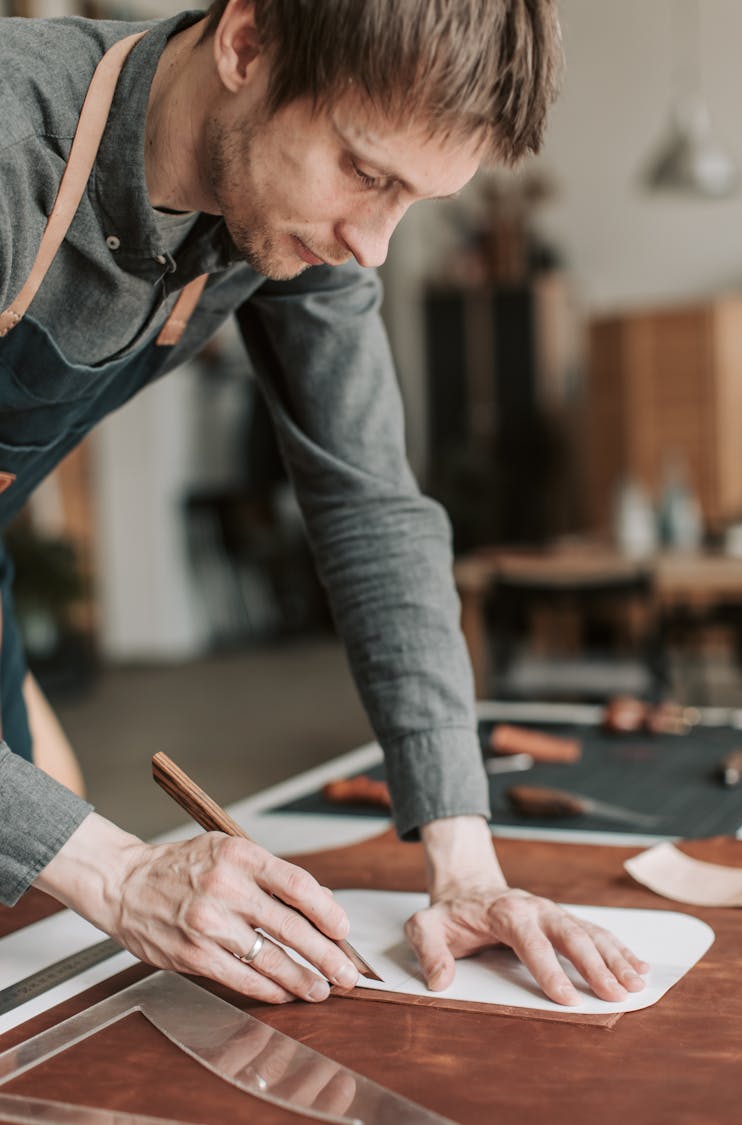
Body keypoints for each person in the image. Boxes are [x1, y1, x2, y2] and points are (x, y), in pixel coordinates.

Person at [0, 0, 649, 1008]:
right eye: (366, 171)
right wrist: (122, 874)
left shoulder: (289, 226)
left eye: (413, 201)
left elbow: (370, 506)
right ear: (246, 41)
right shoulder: (9, 144)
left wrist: (464, 861)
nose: (374, 245)